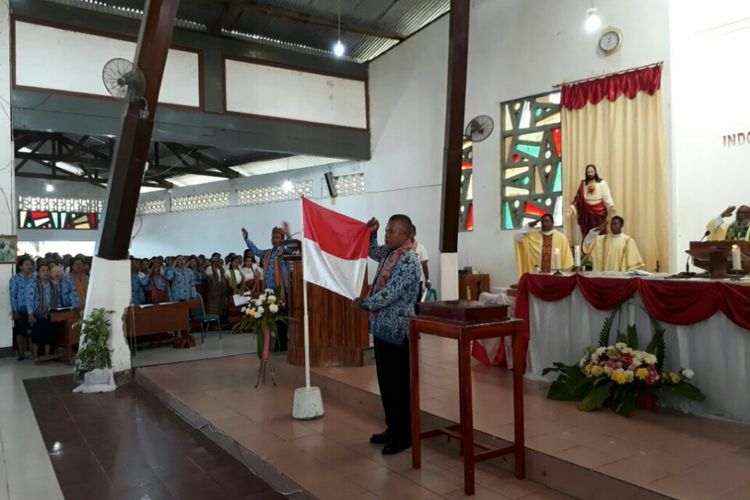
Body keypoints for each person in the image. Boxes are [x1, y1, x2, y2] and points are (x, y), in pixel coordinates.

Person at [353, 214, 421, 455]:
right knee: (386, 384)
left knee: (399, 386)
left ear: (407, 234)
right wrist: (372, 232)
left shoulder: (408, 261)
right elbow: (372, 251)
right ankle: (392, 428)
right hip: (382, 329)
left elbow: (390, 293)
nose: (387, 235)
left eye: (391, 232)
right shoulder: (390, 254)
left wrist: (365, 303)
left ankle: (404, 436)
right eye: (387, 231)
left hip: (398, 332)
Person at [242, 223, 294, 351]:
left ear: (281, 239)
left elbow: (293, 246)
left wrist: (288, 234)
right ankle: (277, 343)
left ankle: (283, 344)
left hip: (281, 290)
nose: (274, 240)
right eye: (272, 237)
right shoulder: (268, 253)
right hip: (269, 291)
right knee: (272, 319)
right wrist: (247, 239)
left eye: (277, 237)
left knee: (281, 319)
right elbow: (256, 251)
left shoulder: (284, 251)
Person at [514, 213, 574, 277]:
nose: (544, 223)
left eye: (547, 221)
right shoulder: (533, 236)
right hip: (538, 276)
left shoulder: (561, 238)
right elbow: (517, 237)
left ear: (552, 223)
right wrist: (528, 226)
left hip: (555, 276)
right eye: (542, 222)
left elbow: (567, 259)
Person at [570, 164, 616, 240]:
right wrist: (571, 208)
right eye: (588, 172)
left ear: (595, 172)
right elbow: (578, 198)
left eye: (592, 172)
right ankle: (588, 250)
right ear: (586, 173)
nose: (590, 174)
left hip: (599, 212)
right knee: (587, 234)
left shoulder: (602, 183)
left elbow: (607, 197)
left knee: (599, 233)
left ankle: (600, 250)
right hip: (586, 213)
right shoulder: (584, 184)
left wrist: (611, 206)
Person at [26, 261, 61, 359]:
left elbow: (57, 299)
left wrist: (58, 312)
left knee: (49, 334)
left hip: (50, 313)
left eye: (47, 270)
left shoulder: (53, 284)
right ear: (38, 273)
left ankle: (47, 355)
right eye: (43, 270)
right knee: (37, 334)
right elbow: (29, 299)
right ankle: (35, 355)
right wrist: (30, 314)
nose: (46, 272)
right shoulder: (33, 284)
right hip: (37, 313)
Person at [10, 255, 35, 360]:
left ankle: (32, 352)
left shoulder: (35, 278)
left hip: (33, 310)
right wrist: (14, 310)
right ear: (20, 267)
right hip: (20, 309)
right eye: (26, 264)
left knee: (31, 331)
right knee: (20, 331)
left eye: (30, 264)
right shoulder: (15, 278)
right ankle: (21, 353)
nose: (29, 266)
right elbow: (13, 295)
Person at [204, 253, 227, 318]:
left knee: (220, 308)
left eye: (219, 259)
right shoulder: (210, 268)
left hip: (221, 290)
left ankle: (219, 323)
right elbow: (209, 280)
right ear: (213, 260)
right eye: (216, 259)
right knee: (213, 310)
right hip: (213, 290)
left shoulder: (221, 269)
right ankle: (213, 325)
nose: (218, 261)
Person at [411, 225, 431, 301]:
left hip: (417, 281)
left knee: (417, 304)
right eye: (408, 232)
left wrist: (427, 280)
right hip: (405, 282)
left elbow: (424, 265)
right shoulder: (402, 248)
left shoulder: (420, 247)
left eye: (412, 232)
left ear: (415, 233)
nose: (410, 234)